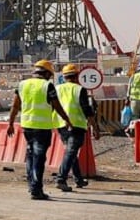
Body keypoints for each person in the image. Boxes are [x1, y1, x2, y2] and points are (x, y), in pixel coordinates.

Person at [7, 59, 73, 200]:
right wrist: (67, 120)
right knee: (39, 158)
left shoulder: (22, 84)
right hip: (42, 128)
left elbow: (15, 106)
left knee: (30, 155)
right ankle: (37, 190)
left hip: (27, 126)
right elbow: (57, 106)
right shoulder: (47, 86)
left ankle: (32, 185)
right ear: (48, 73)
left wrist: (11, 123)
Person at [54, 64, 100, 191]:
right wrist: (95, 128)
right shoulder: (79, 89)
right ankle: (61, 178)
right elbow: (87, 110)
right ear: (77, 76)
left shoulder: (57, 89)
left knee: (71, 151)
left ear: (64, 76)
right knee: (71, 151)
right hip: (76, 124)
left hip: (61, 124)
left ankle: (78, 179)